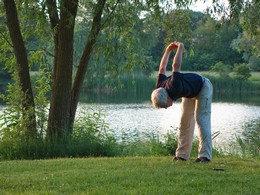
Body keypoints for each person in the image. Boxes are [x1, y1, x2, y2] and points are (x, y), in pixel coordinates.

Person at [151, 41, 213, 163]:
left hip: (203, 87)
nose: (166, 108)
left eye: (164, 106)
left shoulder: (175, 86)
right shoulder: (160, 86)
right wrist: (167, 50)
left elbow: (176, 66)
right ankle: (181, 155)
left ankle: (204, 156)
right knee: (184, 122)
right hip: (189, 93)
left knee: (201, 119)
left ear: (168, 98)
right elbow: (162, 68)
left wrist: (180, 47)